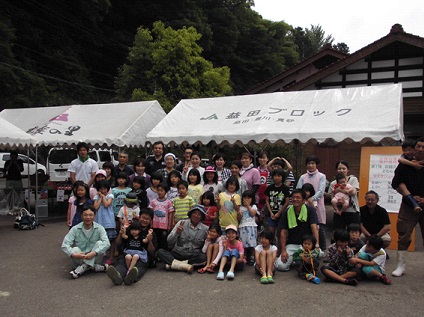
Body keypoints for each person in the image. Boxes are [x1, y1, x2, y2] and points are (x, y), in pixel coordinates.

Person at [391, 137, 424, 277]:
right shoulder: (405, 163)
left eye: (423, 147)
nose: (420, 149)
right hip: (408, 205)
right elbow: (396, 182)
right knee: (403, 234)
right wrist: (408, 196)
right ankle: (400, 266)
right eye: (418, 146)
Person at [107, 208, 156, 285]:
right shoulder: (130, 228)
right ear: (139, 217)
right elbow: (118, 243)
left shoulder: (150, 233)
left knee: (139, 266)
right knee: (121, 263)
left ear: (150, 221)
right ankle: (117, 277)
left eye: (147, 219)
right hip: (127, 252)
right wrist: (121, 234)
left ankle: (131, 278)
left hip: (142, 256)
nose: (144, 220)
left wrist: (149, 241)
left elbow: (152, 252)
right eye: (143, 217)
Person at [276, 189, 320, 272]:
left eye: (298, 197)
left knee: (319, 254)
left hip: (308, 245)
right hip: (292, 244)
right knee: (281, 266)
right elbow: (283, 232)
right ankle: (296, 260)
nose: (295, 199)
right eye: (293, 197)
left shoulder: (310, 210)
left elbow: (314, 228)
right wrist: (283, 250)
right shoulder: (286, 212)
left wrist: (317, 245)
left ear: (303, 200)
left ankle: (299, 260)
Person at [156, 204, 208, 273]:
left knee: (203, 257)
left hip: (192, 255)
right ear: (190, 214)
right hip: (178, 253)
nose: (196, 216)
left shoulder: (205, 229)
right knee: (160, 252)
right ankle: (184, 266)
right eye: (194, 213)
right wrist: (177, 233)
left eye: (199, 214)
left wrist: (208, 240)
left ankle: (174, 265)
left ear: (202, 217)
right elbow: (169, 242)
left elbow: (204, 249)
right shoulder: (181, 223)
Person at [61, 206, 110, 279]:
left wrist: (93, 253)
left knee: (100, 243)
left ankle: (83, 268)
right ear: (81, 216)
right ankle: (94, 267)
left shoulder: (100, 228)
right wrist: (73, 254)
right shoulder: (75, 229)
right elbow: (65, 244)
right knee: (75, 249)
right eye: (85, 215)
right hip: (80, 258)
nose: (88, 217)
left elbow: (107, 243)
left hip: (95, 257)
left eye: (90, 215)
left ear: (94, 216)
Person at [296, 155, 327, 251]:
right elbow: (298, 189)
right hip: (304, 204)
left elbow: (321, 191)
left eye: (313, 163)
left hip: (318, 204)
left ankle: (323, 248)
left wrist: (312, 199)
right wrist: (303, 199)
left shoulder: (321, 176)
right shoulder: (303, 177)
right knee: (306, 225)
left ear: (316, 164)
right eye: (309, 163)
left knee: (319, 227)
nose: (310, 165)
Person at [327, 160, 360, 230]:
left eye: (344, 168)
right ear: (336, 170)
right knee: (339, 233)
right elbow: (331, 196)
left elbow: (353, 193)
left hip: (352, 211)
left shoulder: (353, 179)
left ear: (348, 170)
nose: (341, 170)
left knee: (353, 233)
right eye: (339, 169)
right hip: (338, 212)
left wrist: (339, 190)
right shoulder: (333, 183)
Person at [93, 180, 116, 266]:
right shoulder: (96, 197)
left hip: (109, 222)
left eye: (104, 189)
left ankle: (111, 258)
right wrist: (100, 197)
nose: (103, 190)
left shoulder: (110, 195)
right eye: (101, 189)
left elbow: (107, 204)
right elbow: (95, 207)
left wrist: (103, 197)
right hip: (99, 222)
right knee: (100, 240)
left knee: (111, 239)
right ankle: (101, 258)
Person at [149, 182, 174, 251]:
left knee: (163, 240)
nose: (159, 192)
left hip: (164, 226)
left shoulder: (168, 202)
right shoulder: (153, 201)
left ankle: (163, 254)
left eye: (162, 190)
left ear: (165, 192)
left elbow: (170, 213)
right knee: (155, 240)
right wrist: (150, 223)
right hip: (155, 225)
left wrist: (169, 224)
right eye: (158, 190)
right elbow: (150, 213)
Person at [265, 169, 290, 236]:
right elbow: (267, 200)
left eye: (279, 176)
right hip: (271, 214)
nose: (277, 178)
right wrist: (271, 212)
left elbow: (287, 202)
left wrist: (279, 213)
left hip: (282, 214)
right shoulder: (269, 188)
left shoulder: (285, 188)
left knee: (280, 234)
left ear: (282, 177)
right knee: (271, 233)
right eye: (275, 176)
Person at [239, 190, 258, 266]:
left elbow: (253, 214)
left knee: (252, 243)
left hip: (251, 226)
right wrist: (239, 214)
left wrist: (248, 206)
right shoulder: (241, 207)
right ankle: (245, 256)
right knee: (244, 243)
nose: (246, 200)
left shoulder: (253, 206)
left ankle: (253, 257)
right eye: (245, 198)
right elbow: (239, 218)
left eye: (248, 198)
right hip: (243, 226)